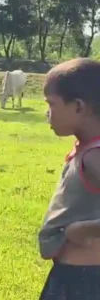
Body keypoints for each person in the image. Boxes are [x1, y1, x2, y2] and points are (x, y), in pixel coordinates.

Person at [39, 58, 100, 300]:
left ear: (78, 107)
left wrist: (81, 230)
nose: (47, 113)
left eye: (51, 104)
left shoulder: (94, 157)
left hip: (83, 280)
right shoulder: (86, 150)